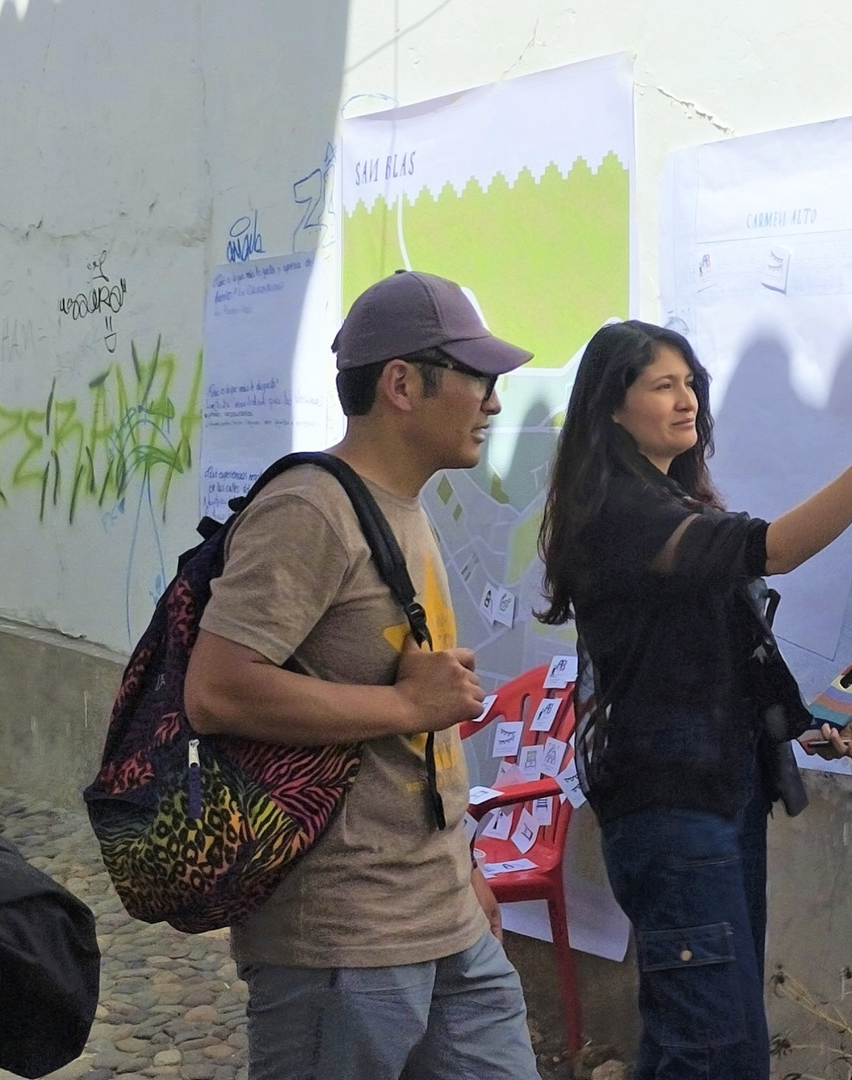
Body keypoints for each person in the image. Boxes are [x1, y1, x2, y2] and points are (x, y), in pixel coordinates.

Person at [537, 320, 852, 1080]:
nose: (686, 402)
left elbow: (709, 655)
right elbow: (772, 548)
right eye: (662, 385)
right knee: (715, 1051)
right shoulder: (622, 512)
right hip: (672, 810)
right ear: (611, 406)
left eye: (691, 384)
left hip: (718, 795)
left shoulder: (669, 500)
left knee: (705, 1040)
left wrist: (805, 724)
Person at [184, 270, 543, 1079]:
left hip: (440, 912)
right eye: (478, 378)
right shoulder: (311, 508)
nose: (492, 402)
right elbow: (216, 689)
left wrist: (467, 868)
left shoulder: (405, 506)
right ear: (404, 384)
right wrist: (402, 701)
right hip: (342, 936)